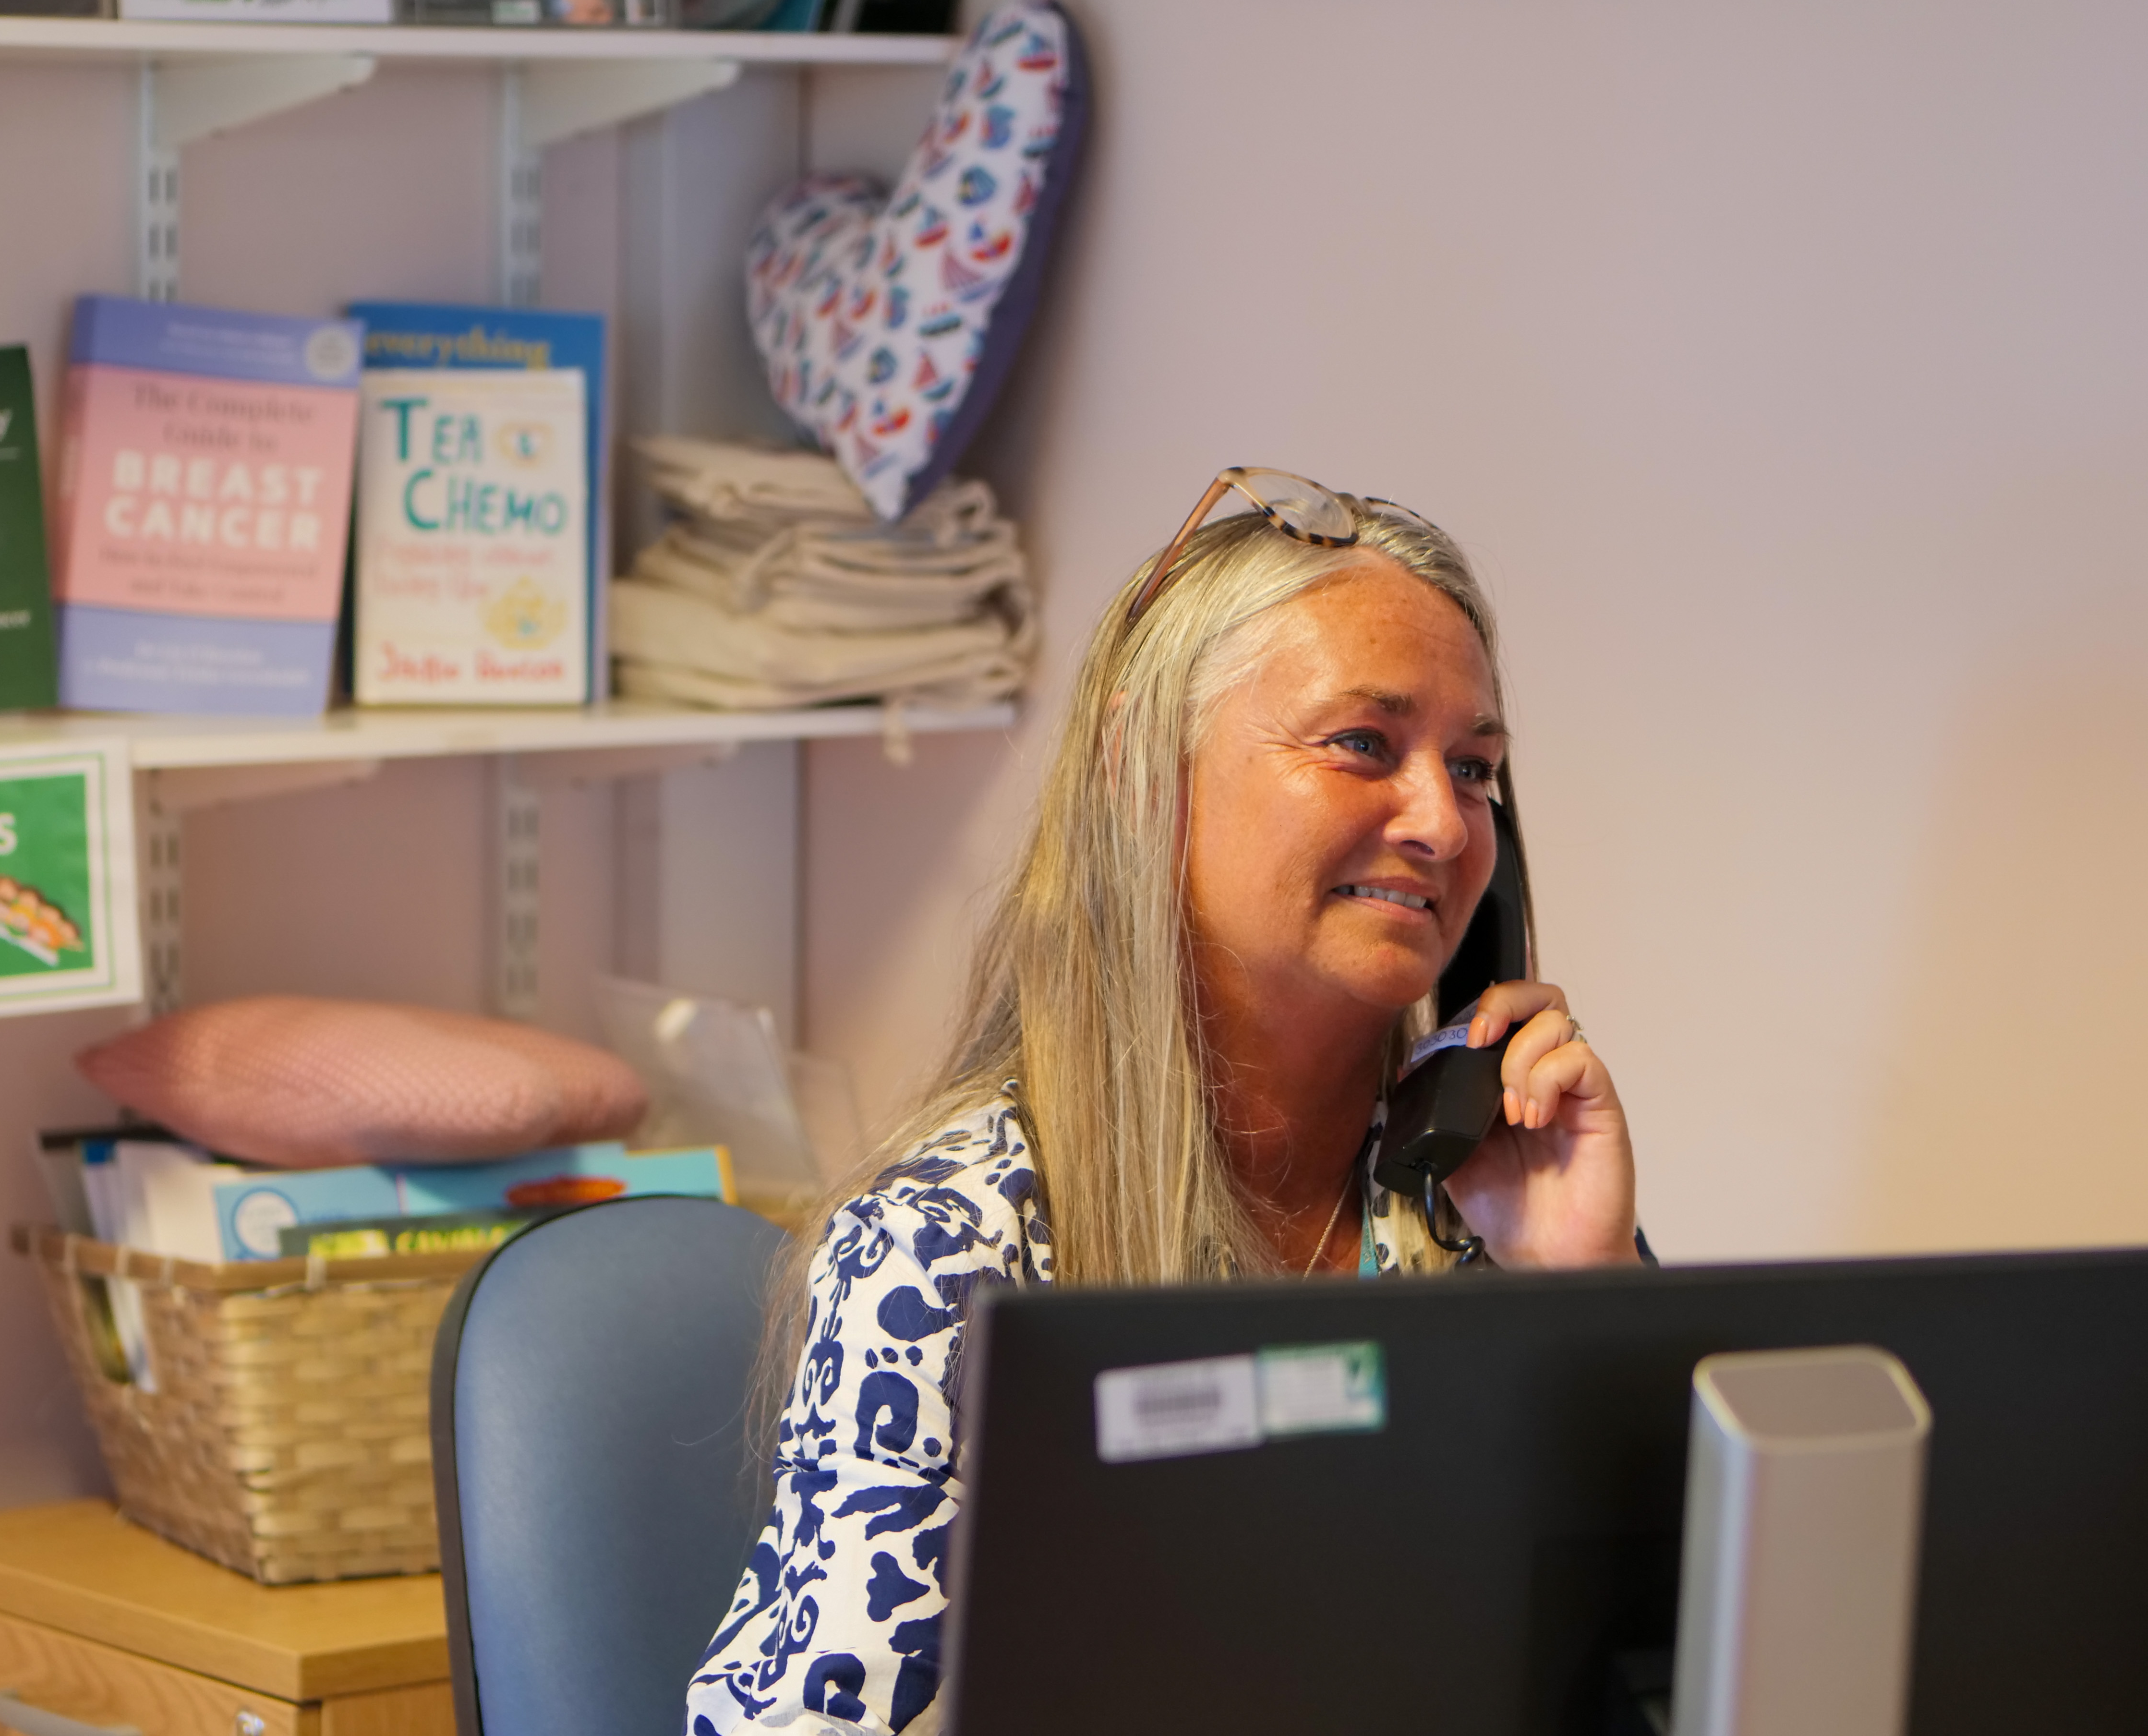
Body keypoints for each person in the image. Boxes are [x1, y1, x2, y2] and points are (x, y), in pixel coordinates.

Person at [685, 471, 1644, 1736]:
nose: (1441, 824)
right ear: (1147, 769)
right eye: (1364, 743)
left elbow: (1676, 1675)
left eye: (1473, 772)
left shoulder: (1479, 1200)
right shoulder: (948, 1252)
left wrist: (1580, 1296)